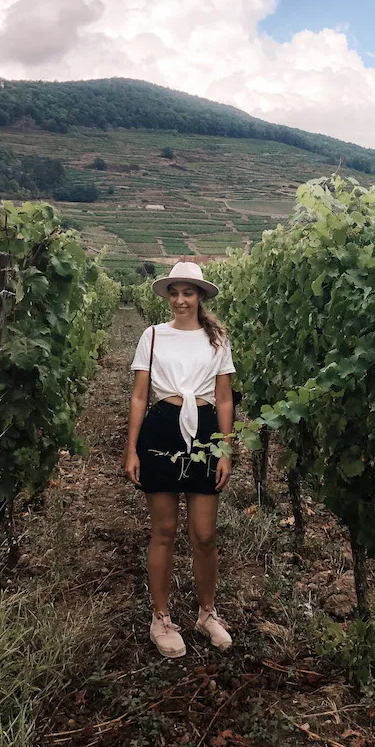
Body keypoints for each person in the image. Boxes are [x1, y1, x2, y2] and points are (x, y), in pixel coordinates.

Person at [123, 261, 236, 659]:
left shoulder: (217, 339)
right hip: (162, 427)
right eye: (174, 292)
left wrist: (224, 448)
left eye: (188, 292)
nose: (180, 300)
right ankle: (161, 617)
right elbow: (139, 395)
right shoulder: (152, 336)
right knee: (164, 530)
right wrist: (131, 447)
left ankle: (207, 613)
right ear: (168, 296)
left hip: (204, 430)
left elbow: (223, 398)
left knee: (205, 534)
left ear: (200, 296)